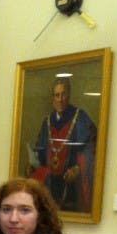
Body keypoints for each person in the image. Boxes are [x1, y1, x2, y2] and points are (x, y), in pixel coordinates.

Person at [30, 78, 97, 213]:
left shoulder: (80, 118)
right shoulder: (47, 122)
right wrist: (33, 164)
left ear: (69, 95)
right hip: (49, 183)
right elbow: (40, 151)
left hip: (71, 184)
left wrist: (78, 168)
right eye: (57, 95)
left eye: (64, 94)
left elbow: (93, 146)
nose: (60, 99)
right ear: (52, 98)